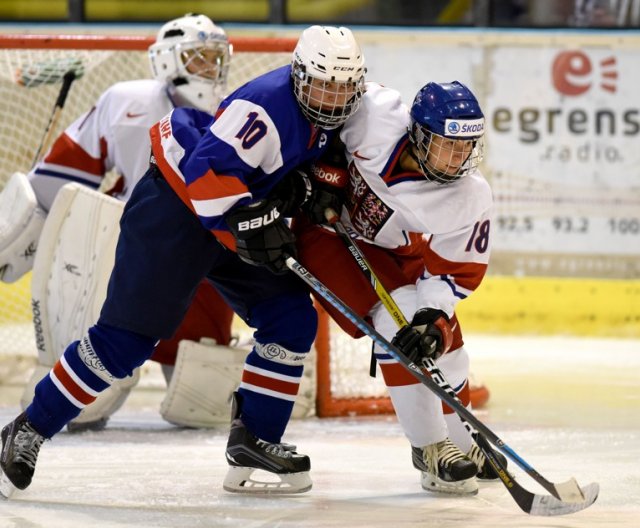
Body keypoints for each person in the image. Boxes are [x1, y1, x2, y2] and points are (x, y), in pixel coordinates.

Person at [0, 24, 366, 498]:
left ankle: (256, 441)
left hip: (234, 211)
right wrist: (256, 226)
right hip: (175, 208)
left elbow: (303, 168)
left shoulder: (337, 110)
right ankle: (27, 428)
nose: (331, 99)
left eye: (342, 89)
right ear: (299, 75)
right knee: (125, 343)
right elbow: (204, 177)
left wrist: (311, 190)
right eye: (322, 85)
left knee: (291, 317)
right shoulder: (265, 106)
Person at [0, 13, 235, 432]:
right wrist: (23, 228)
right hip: (131, 252)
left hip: (204, 261)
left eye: (216, 58)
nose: (211, 69)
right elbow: (64, 177)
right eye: (199, 58)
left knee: (203, 403)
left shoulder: (236, 113)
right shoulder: (128, 101)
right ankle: (81, 381)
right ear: (167, 60)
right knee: (89, 402)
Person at [293, 80, 505, 495]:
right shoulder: (373, 114)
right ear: (419, 136)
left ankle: (466, 442)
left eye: (467, 147)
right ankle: (429, 449)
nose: (459, 158)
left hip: (395, 247)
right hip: (329, 235)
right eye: (448, 145)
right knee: (396, 326)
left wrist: (434, 319)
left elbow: (451, 272)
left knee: (446, 348)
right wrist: (322, 179)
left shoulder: (469, 195)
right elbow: (323, 118)